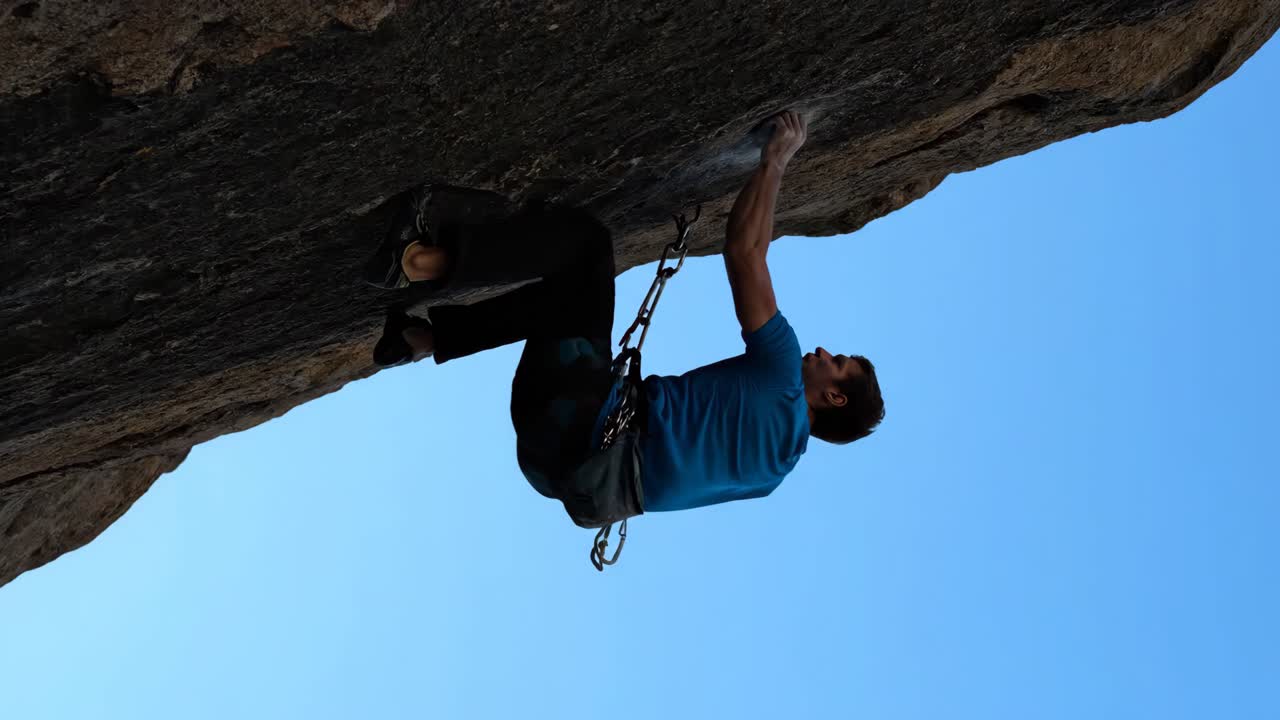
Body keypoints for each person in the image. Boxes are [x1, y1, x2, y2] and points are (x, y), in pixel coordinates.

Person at [363, 111, 884, 514]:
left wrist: (775, 161)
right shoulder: (771, 476)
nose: (824, 352)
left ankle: (415, 260)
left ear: (834, 396)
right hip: (558, 469)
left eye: (837, 363)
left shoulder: (783, 374)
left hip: (578, 416)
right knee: (570, 302)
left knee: (586, 248)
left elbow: (745, 253)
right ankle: (417, 340)